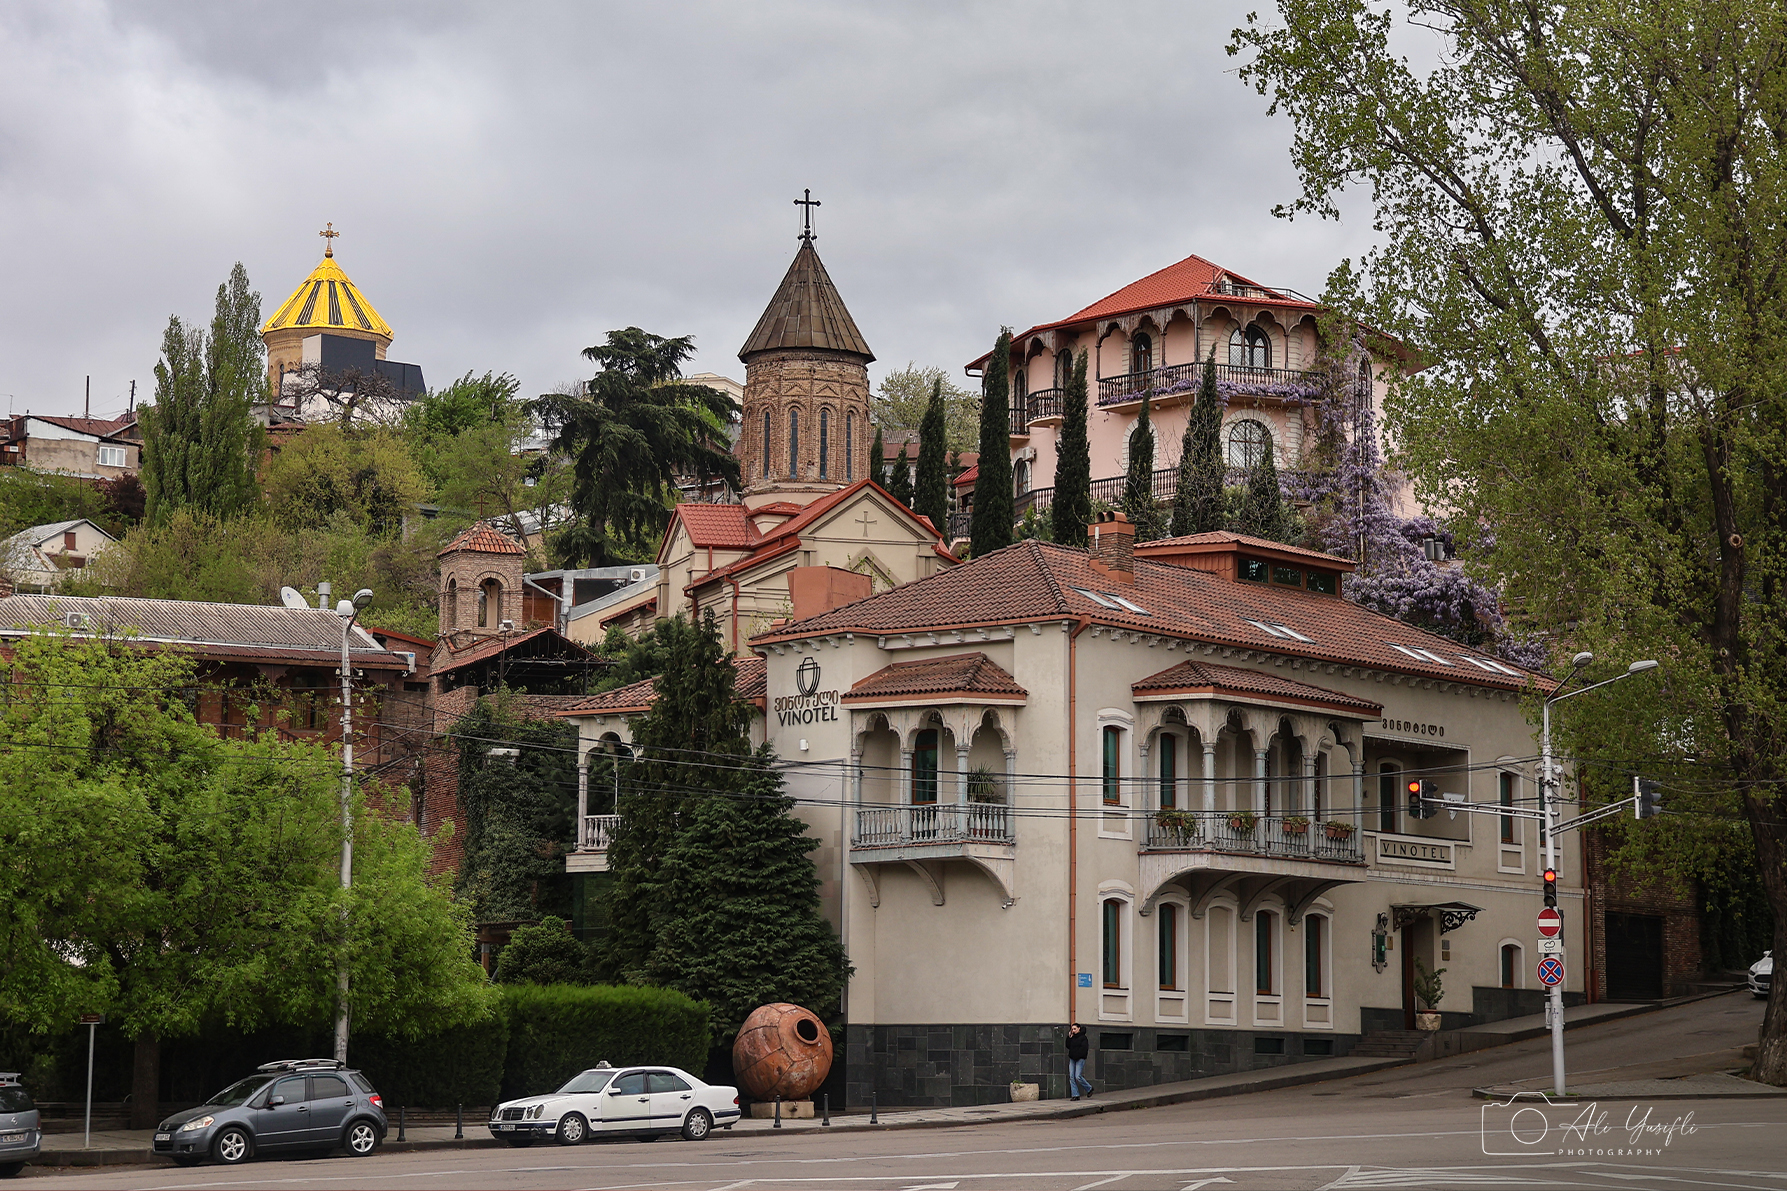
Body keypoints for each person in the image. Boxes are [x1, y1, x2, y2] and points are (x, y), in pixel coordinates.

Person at [1065, 1023, 1092, 1101]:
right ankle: (1075, 1095)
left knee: (1078, 1076)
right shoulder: (1072, 1037)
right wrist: (1069, 1037)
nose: (1073, 1030)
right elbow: (1068, 1046)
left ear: (1079, 1028)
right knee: (1071, 1077)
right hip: (1072, 1059)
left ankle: (1089, 1088)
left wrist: (1078, 1055)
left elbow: (1084, 1049)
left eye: (1075, 1029)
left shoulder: (1083, 1038)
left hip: (1080, 1058)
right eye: (1072, 1029)